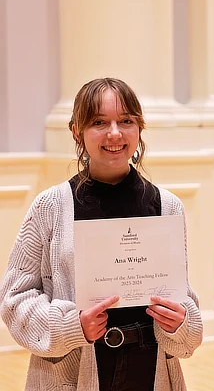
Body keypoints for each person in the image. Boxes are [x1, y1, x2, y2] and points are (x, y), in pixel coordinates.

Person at [0, 77, 203, 390]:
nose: (114, 133)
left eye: (126, 121)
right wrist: (71, 326)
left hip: (150, 369)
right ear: (77, 132)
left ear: (139, 129)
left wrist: (180, 323)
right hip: (70, 374)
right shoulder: (50, 206)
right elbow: (15, 299)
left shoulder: (167, 206)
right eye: (99, 122)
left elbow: (181, 299)